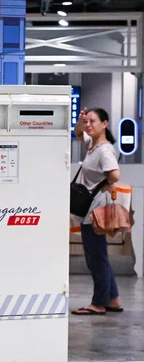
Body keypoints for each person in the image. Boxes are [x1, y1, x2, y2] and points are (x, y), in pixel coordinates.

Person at [71, 107, 123, 316]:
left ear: (105, 124)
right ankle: (113, 299)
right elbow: (77, 133)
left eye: (93, 121)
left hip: (97, 211)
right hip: (92, 210)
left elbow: (115, 175)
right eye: (87, 122)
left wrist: (106, 184)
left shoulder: (104, 150)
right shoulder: (92, 144)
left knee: (96, 257)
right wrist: (80, 120)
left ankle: (98, 303)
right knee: (99, 255)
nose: (89, 125)